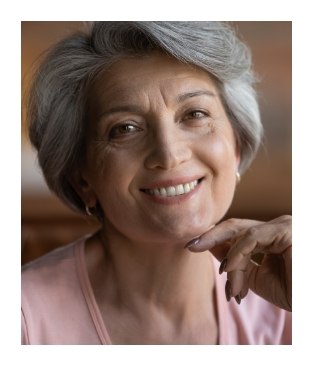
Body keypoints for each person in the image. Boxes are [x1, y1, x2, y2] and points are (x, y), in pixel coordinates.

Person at [22, 21, 291, 345]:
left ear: (236, 145)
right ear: (82, 180)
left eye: (194, 114)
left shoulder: (288, 302)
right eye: (125, 128)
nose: (169, 153)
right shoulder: (23, 321)